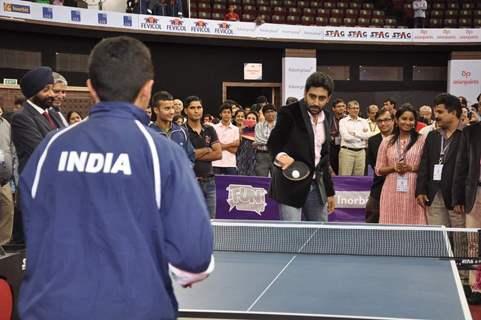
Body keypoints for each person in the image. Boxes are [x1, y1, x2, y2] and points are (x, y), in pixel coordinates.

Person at [18, 36, 214, 320]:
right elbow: (194, 260)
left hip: (49, 308)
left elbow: (34, 222)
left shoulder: (50, 147)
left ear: (90, 89)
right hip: (134, 309)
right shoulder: (163, 153)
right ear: (147, 90)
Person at [268, 72, 335, 221]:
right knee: (292, 236)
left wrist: (330, 192)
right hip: (290, 185)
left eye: (322, 98)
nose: (316, 102)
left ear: (328, 98)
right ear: (305, 92)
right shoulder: (289, 112)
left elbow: (324, 158)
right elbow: (273, 143)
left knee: (318, 235)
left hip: (317, 187)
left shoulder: (328, 117)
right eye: (312, 96)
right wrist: (282, 156)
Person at [416, 93, 464, 228]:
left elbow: (470, 170)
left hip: (458, 199)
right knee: (438, 238)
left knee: (461, 241)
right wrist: (420, 190)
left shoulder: (467, 135)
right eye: (435, 111)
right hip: (434, 194)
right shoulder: (432, 136)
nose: (436, 116)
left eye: (440, 112)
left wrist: (462, 197)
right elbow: (424, 163)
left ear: (453, 113)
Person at [375, 104, 426, 224]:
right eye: (404, 118)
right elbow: (379, 169)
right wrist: (394, 168)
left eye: (411, 119)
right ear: (396, 120)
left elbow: (426, 167)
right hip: (391, 189)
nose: (407, 122)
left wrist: (411, 167)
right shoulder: (387, 141)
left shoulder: (422, 140)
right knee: (390, 223)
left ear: (415, 122)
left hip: (414, 188)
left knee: (414, 224)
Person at [452, 115, 481, 304]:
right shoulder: (470, 132)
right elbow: (460, 165)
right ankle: (475, 287)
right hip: (476, 192)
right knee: (474, 241)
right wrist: (458, 197)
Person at [185, 96, 222, 218]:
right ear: (186, 110)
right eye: (192, 108)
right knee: (191, 222)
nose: (196, 111)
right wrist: (207, 149)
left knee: (211, 224)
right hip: (190, 182)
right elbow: (183, 155)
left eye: (199, 107)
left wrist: (193, 154)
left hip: (209, 182)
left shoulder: (209, 129)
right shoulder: (182, 131)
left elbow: (218, 154)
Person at [365, 108, 394, 223]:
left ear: (393, 121)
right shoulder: (373, 141)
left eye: (386, 120)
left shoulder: (402, 137)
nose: (383, 123)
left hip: (399, 184)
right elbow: (374, 164)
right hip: (379, 184)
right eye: (379, 121)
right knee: (371, 211)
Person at [149, 90, 195, 163]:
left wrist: (183, 172)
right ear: (156, 110)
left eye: (172, 107)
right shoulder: (147, 133)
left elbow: (190, 157)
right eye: (167, 108)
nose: (172, 112)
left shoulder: (182, 131)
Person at [338, 100, 371, 176]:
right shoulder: (343, 121)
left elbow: (368, 136)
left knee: (359, 178)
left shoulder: (364, 121)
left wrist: (355, 133)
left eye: (357, 108)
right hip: (347, 151)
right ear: (348, 109)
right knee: (345, 177)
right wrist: (362, 136)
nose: (355, 110)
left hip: (361, 152)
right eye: (353, 108)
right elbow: (346, 137)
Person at [0, 107, 15, 245]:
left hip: (4, 177)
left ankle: (3, 244)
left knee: (8, 208)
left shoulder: (6, 124)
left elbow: (11, 148)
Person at [212, 103, 240, 175]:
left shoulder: (236, 129)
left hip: (230, 164)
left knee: (230, 185)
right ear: (220, 114)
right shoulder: (214, 128)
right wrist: (232, 144)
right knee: (215, 186)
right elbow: (214, 147)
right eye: (224, 112)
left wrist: (221, 146)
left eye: (228, 112)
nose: (226, 114)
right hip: (216, 162)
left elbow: (234, 150)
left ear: (231, 114)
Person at [254, 104, 276, 176]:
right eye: (267, 112)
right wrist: (273, 141)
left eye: (272, 111)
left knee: (277, 180)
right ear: (264, 114)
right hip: (261, 155)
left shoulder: (280, 125)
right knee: (261, 180)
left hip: (276, 155)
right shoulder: (258, 125)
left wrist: (263, 142)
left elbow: (281, 140)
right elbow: (258, 140)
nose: (270, 113)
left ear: (275, 113)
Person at [237, 111, 257, 176]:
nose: (250, 120)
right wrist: (241, 130)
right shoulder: (239, 130)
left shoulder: (259, 132)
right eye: (249, 118)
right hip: (241, 160)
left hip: (254, 161)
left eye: (253, 118)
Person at [329, 98, 346, 175]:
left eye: (343, 106)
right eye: (339, 106)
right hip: (333, 148)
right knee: (334, 171)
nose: (341, 108)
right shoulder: (329, 119)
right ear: (333, 109)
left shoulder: (348, 119)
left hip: (346, 147)